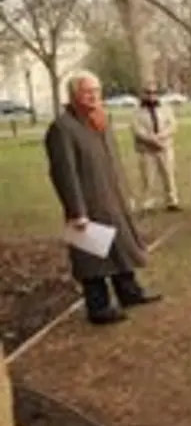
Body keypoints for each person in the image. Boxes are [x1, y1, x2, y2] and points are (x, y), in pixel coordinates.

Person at [44, 71, 161, 326]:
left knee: (121, 244)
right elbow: (64, 172)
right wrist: (77, 211)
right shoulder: (63, 128)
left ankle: (129, 292)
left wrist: (124, 193)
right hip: (87, 201)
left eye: (96, 90)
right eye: (87, 92)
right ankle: (98, 307)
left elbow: (113, 160)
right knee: (92, 254)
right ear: (74, 95)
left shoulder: (101, 121)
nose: (94, 96)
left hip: (111, 196)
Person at [131, 83, 180, 212]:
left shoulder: (165, 108)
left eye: (154, 92)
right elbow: (136, 129)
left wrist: (161, 137)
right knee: (148, 177)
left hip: (165, 147)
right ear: (143, 94)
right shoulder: (137, 110)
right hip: (146, 149)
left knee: (169, 175)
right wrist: (151, 139)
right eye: (148, 92)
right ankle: (148, 203)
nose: (151, 95)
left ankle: (172, 201)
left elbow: (173, 125)